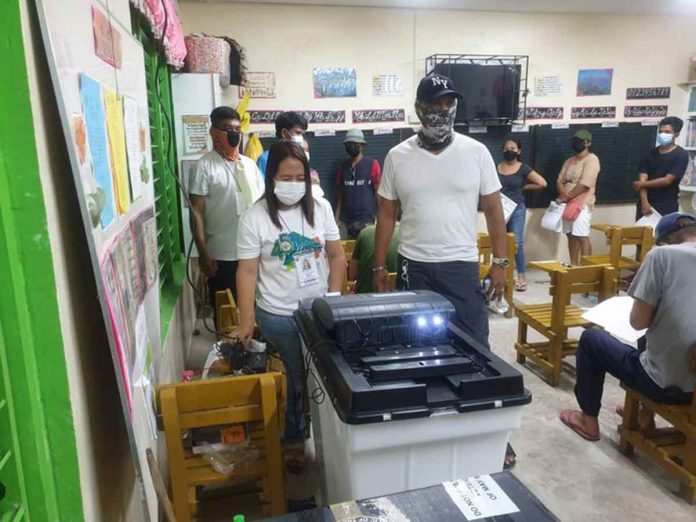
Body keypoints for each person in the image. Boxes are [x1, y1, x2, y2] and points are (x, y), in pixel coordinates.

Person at [374, 73, 509, 349]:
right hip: (414, 265)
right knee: (415, 342)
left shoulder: (477, 152)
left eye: (449, 104)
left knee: (474, 343)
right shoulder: (397, 156)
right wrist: (379, 266)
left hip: (460, 264)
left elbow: (495, 211)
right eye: (436, 105)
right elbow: (386, 214)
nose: (443, 111)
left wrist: (500, 263)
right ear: (420, 108)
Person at [236, 141, 345, 471]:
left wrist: (334, 299)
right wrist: (246, 320)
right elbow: (248, 270)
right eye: (287, 177)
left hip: (319, 311)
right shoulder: (255, 218)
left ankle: (330, 435)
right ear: (271, 178)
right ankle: (295, 438)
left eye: (300, 178)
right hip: (279, 315)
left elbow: (337, 256)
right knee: (297, 378)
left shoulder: (321, 208)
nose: (294, 184)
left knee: (328, 378)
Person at [559, 212, 696, 442]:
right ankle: (644, 414)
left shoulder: (661, 256)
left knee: (591, 340)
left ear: (667, 240)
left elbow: (638, 322)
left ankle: (588, 419)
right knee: (649, 339)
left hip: (668, 387)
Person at [189, 106, 264, 314]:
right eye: (226, 128)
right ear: (213, 132)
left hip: (254, 251)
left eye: (237, 129)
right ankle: (227, 346)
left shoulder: (250, 166)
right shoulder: (204, 167)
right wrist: (203, 253)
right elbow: (196, 214)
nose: (234, 134)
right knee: (227, 312)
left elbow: (263, 206)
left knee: (255, 308)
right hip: (222, 255)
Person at [497, 137, 547, 291]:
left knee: (516, 242)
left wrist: (523, 187)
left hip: (517, 208)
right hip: (500, 209)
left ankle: (521, 275)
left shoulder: (523, 168)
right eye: (506, 148)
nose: (509, 151)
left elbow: (542, 183)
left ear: (519, 151)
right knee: (500, 242)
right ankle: (503, 274)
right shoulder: (496, 167)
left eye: (513, 148)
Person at [556, 129, 601, 266]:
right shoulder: (569, 161)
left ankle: (586, 270)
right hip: (567, 204)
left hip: (582, 204)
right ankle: (574, 265)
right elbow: (559, 181)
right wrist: (562, 192)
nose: (576, 143)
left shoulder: (592, 160)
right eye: (574, 140)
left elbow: (585, 184)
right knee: (570, 235)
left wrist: (566, 197)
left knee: (581, 235)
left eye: (580, 141)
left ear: (588, 143)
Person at [633, 116, 690, 220]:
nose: (663, 134)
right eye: (661, 131)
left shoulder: (681, 155)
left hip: (666, 204)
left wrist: (643, 184)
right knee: (641, 235)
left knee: (663, 236)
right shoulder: (649, 154)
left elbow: (667, 180)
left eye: (667, 132)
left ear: (676, 134)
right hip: (645, 203)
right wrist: (644, 202)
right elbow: (642, 178)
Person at [335, 129, 381, 239]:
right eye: (348, 144)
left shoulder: (372, 164)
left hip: (367, 219)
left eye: (354, 144)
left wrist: (380, 216)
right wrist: (336, 217)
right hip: (347, 220)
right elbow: (340, 195)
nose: (351, 146)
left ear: (362, 146)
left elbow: (378, 192)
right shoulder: (343, 167)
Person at [349, 223, 400, 294]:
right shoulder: (407, 237)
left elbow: (352, 274)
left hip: (365, 296)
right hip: (399, 297)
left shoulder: (365, 233)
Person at [257, 111, 309, 178]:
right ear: (284, 133)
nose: (301, 138)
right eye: (298, 133)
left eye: (303, 134)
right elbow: (263, 186)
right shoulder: (265, 158)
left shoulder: (301, 155)